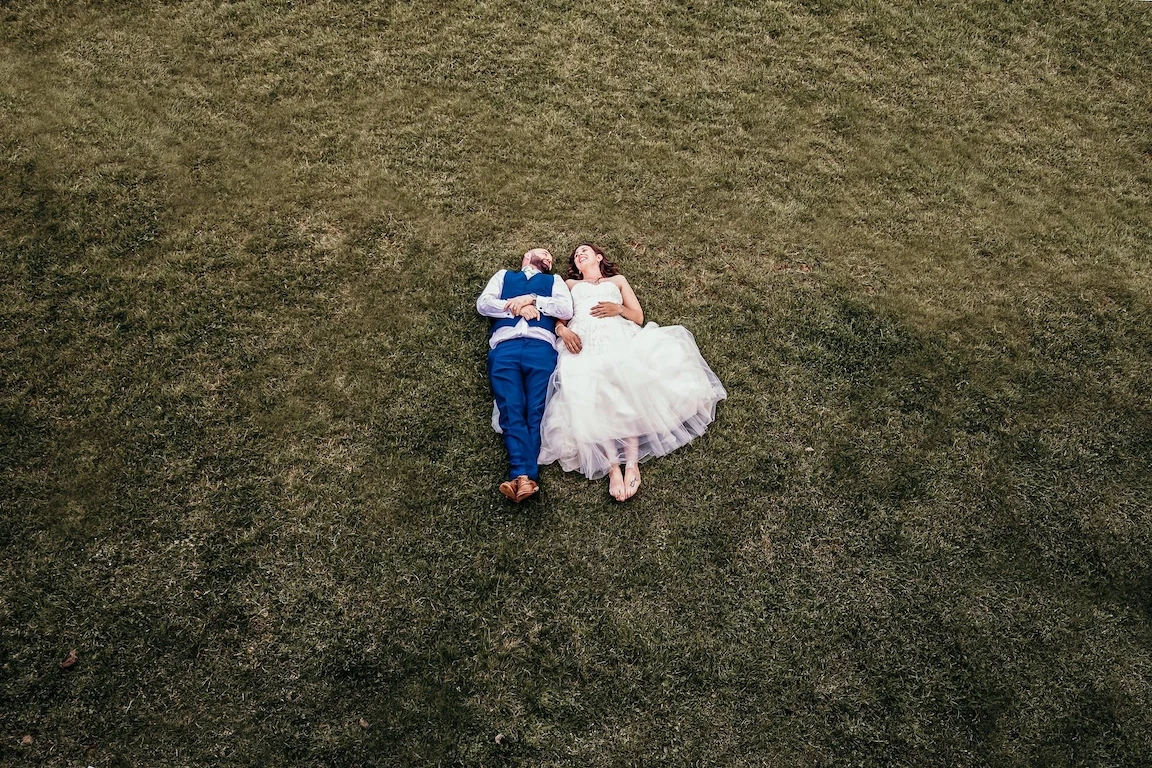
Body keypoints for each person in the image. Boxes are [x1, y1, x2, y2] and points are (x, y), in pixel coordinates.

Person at [539, 243, 727, 501]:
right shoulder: (569, 285)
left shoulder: (617, 281)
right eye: (576, 255)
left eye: (585, 251)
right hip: (583, 340)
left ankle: (632, 463)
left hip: (618, 334)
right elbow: (559, 316)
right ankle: (613, 467)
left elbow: (637, 316)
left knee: (629, 389)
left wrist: (618, 309)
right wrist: (563, 330)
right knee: (596, 396)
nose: (579, 255)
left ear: (598, 256)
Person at [477, 247, 574, 502]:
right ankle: (526, 478)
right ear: (526, 257)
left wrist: (532, 300)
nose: (548, 258)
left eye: (551, 258)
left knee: (536, 409)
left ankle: (519, 474)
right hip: (505, 346)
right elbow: (484, 303)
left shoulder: (554, 281)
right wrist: (516, 309)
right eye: (543, 253)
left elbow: (565, 309)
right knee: (511, 407)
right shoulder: (504, 276)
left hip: (541, 348)